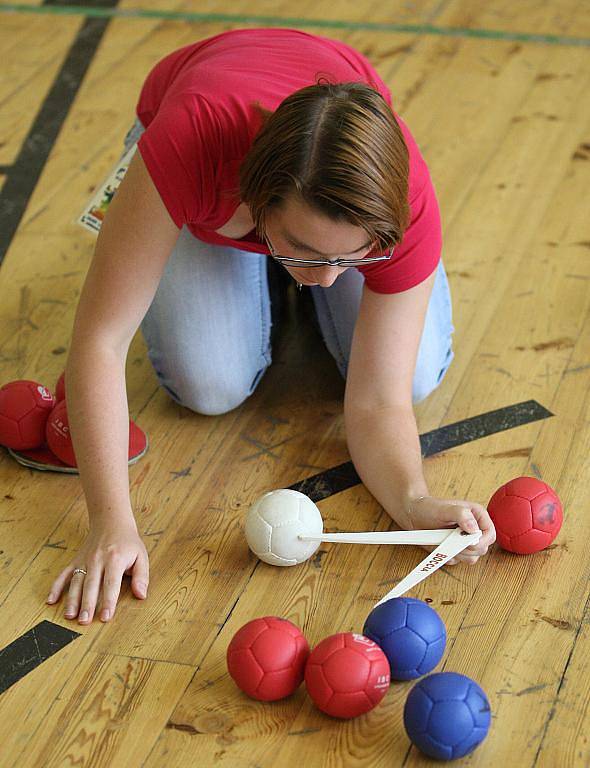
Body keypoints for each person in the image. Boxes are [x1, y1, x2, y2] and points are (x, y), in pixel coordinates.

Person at [46, 28, 495, 626]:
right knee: (208, 384)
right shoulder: (190, 142)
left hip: (315, 197)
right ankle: (270, 276)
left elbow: (379, 402)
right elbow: (100, 340)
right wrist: (110, 521)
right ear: (259, 202)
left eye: (351, 259)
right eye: (305, 250)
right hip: (201, 140)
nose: (331, 280)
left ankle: (298, 266)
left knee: (412, 378)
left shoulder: (402, 201)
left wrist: (412, 502)